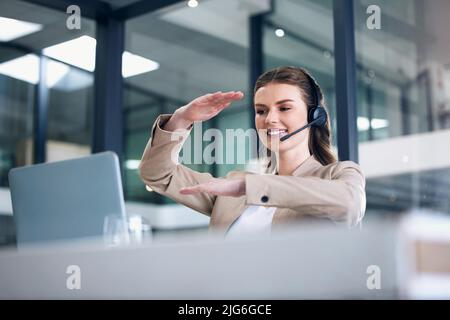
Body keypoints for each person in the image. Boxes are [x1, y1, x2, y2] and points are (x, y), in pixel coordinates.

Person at [139, 66, 366, 236]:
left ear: (313, 115)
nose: (270, 119)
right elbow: (157, 173)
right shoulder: (233, 189)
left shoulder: (339, 175)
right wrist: (182, 118)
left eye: (284, 108)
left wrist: (249, 187)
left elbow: (350, 204)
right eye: (261, 110)